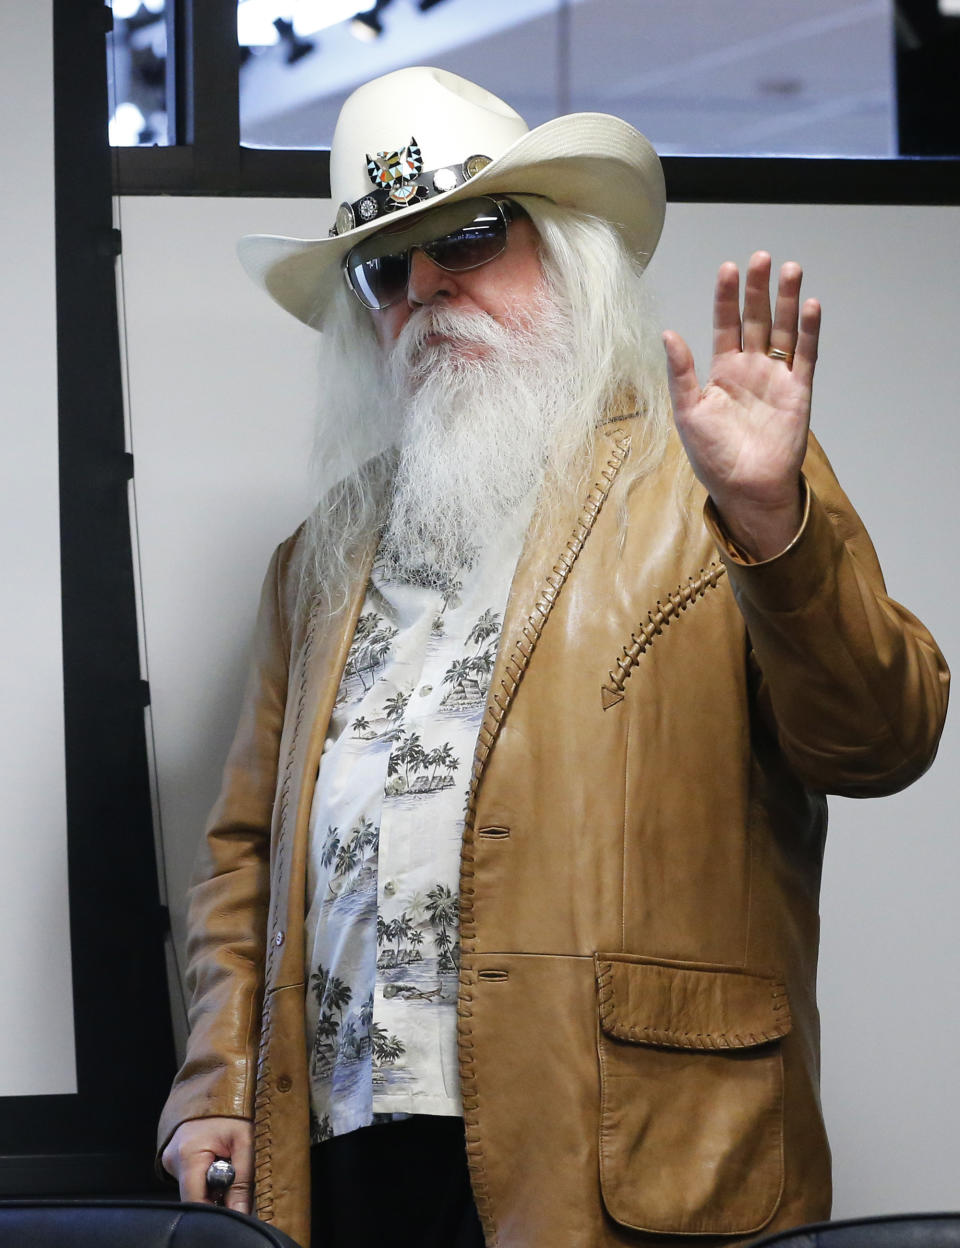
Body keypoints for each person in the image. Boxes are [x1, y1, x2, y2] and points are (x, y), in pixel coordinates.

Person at [157, 67, 949, 1248]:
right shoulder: (315, 561)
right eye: (387, 265)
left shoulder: (714, 484)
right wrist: (215, 1081)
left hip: (630, 1154)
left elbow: (882, 740)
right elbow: (244, 856)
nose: (425, 285)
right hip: (350, 1161)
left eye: (468, 238)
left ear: (570, 253)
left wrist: (776, 526)